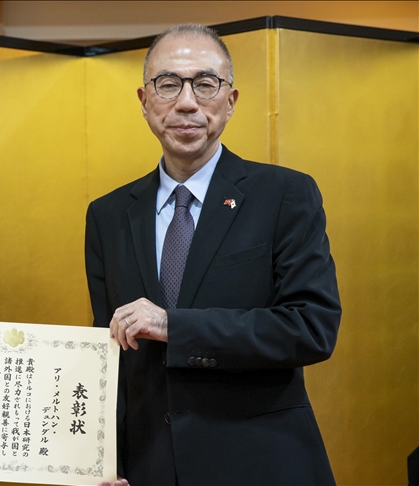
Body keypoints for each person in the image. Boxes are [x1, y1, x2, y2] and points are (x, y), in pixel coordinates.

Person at [86, 24, 340, 485]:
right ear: (144, 101)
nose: (187, 102)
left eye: (205, 84)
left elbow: (311, 328)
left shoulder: (284, 195)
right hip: (148, 467)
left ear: (231, 100)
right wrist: (103, 462)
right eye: (169, 84)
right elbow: (110, 358)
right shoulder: (108, 214)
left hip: (261, 463)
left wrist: (175, 326)